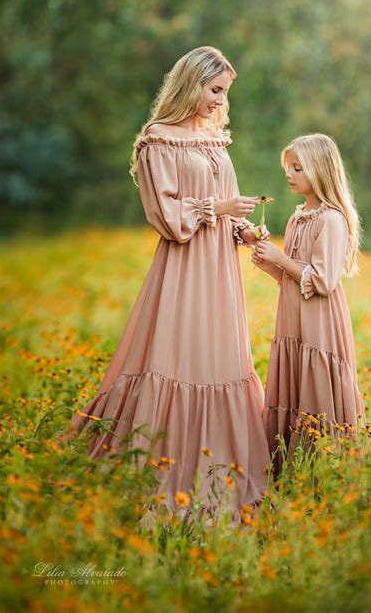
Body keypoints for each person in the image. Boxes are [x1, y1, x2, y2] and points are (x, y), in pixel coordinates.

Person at [68, 46, 270, 516]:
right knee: (180, 355)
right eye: (214, 90)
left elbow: (221, 200)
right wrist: (217, 210)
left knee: (222, 358)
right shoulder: (158, 140)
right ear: (191, 83)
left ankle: (225, 468)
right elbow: (165, 215)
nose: (220, 102)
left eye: (225, 93)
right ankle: (161, 467)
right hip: (184, 266)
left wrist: (242, 228)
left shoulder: (212, 139)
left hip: (219, 266)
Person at [252, 133, 365, 476]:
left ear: (319, 170)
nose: (289, 175)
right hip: (292, 321)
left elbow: (322, 280)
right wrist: (262, 254)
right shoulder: (297, 217)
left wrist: (280, 258)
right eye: (288, 168)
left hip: (318, 324)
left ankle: (321, 476)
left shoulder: (331, 220)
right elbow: (290, 278)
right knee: (292, 387)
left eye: (298, 168)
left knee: (315, 394)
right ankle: (286, 472)